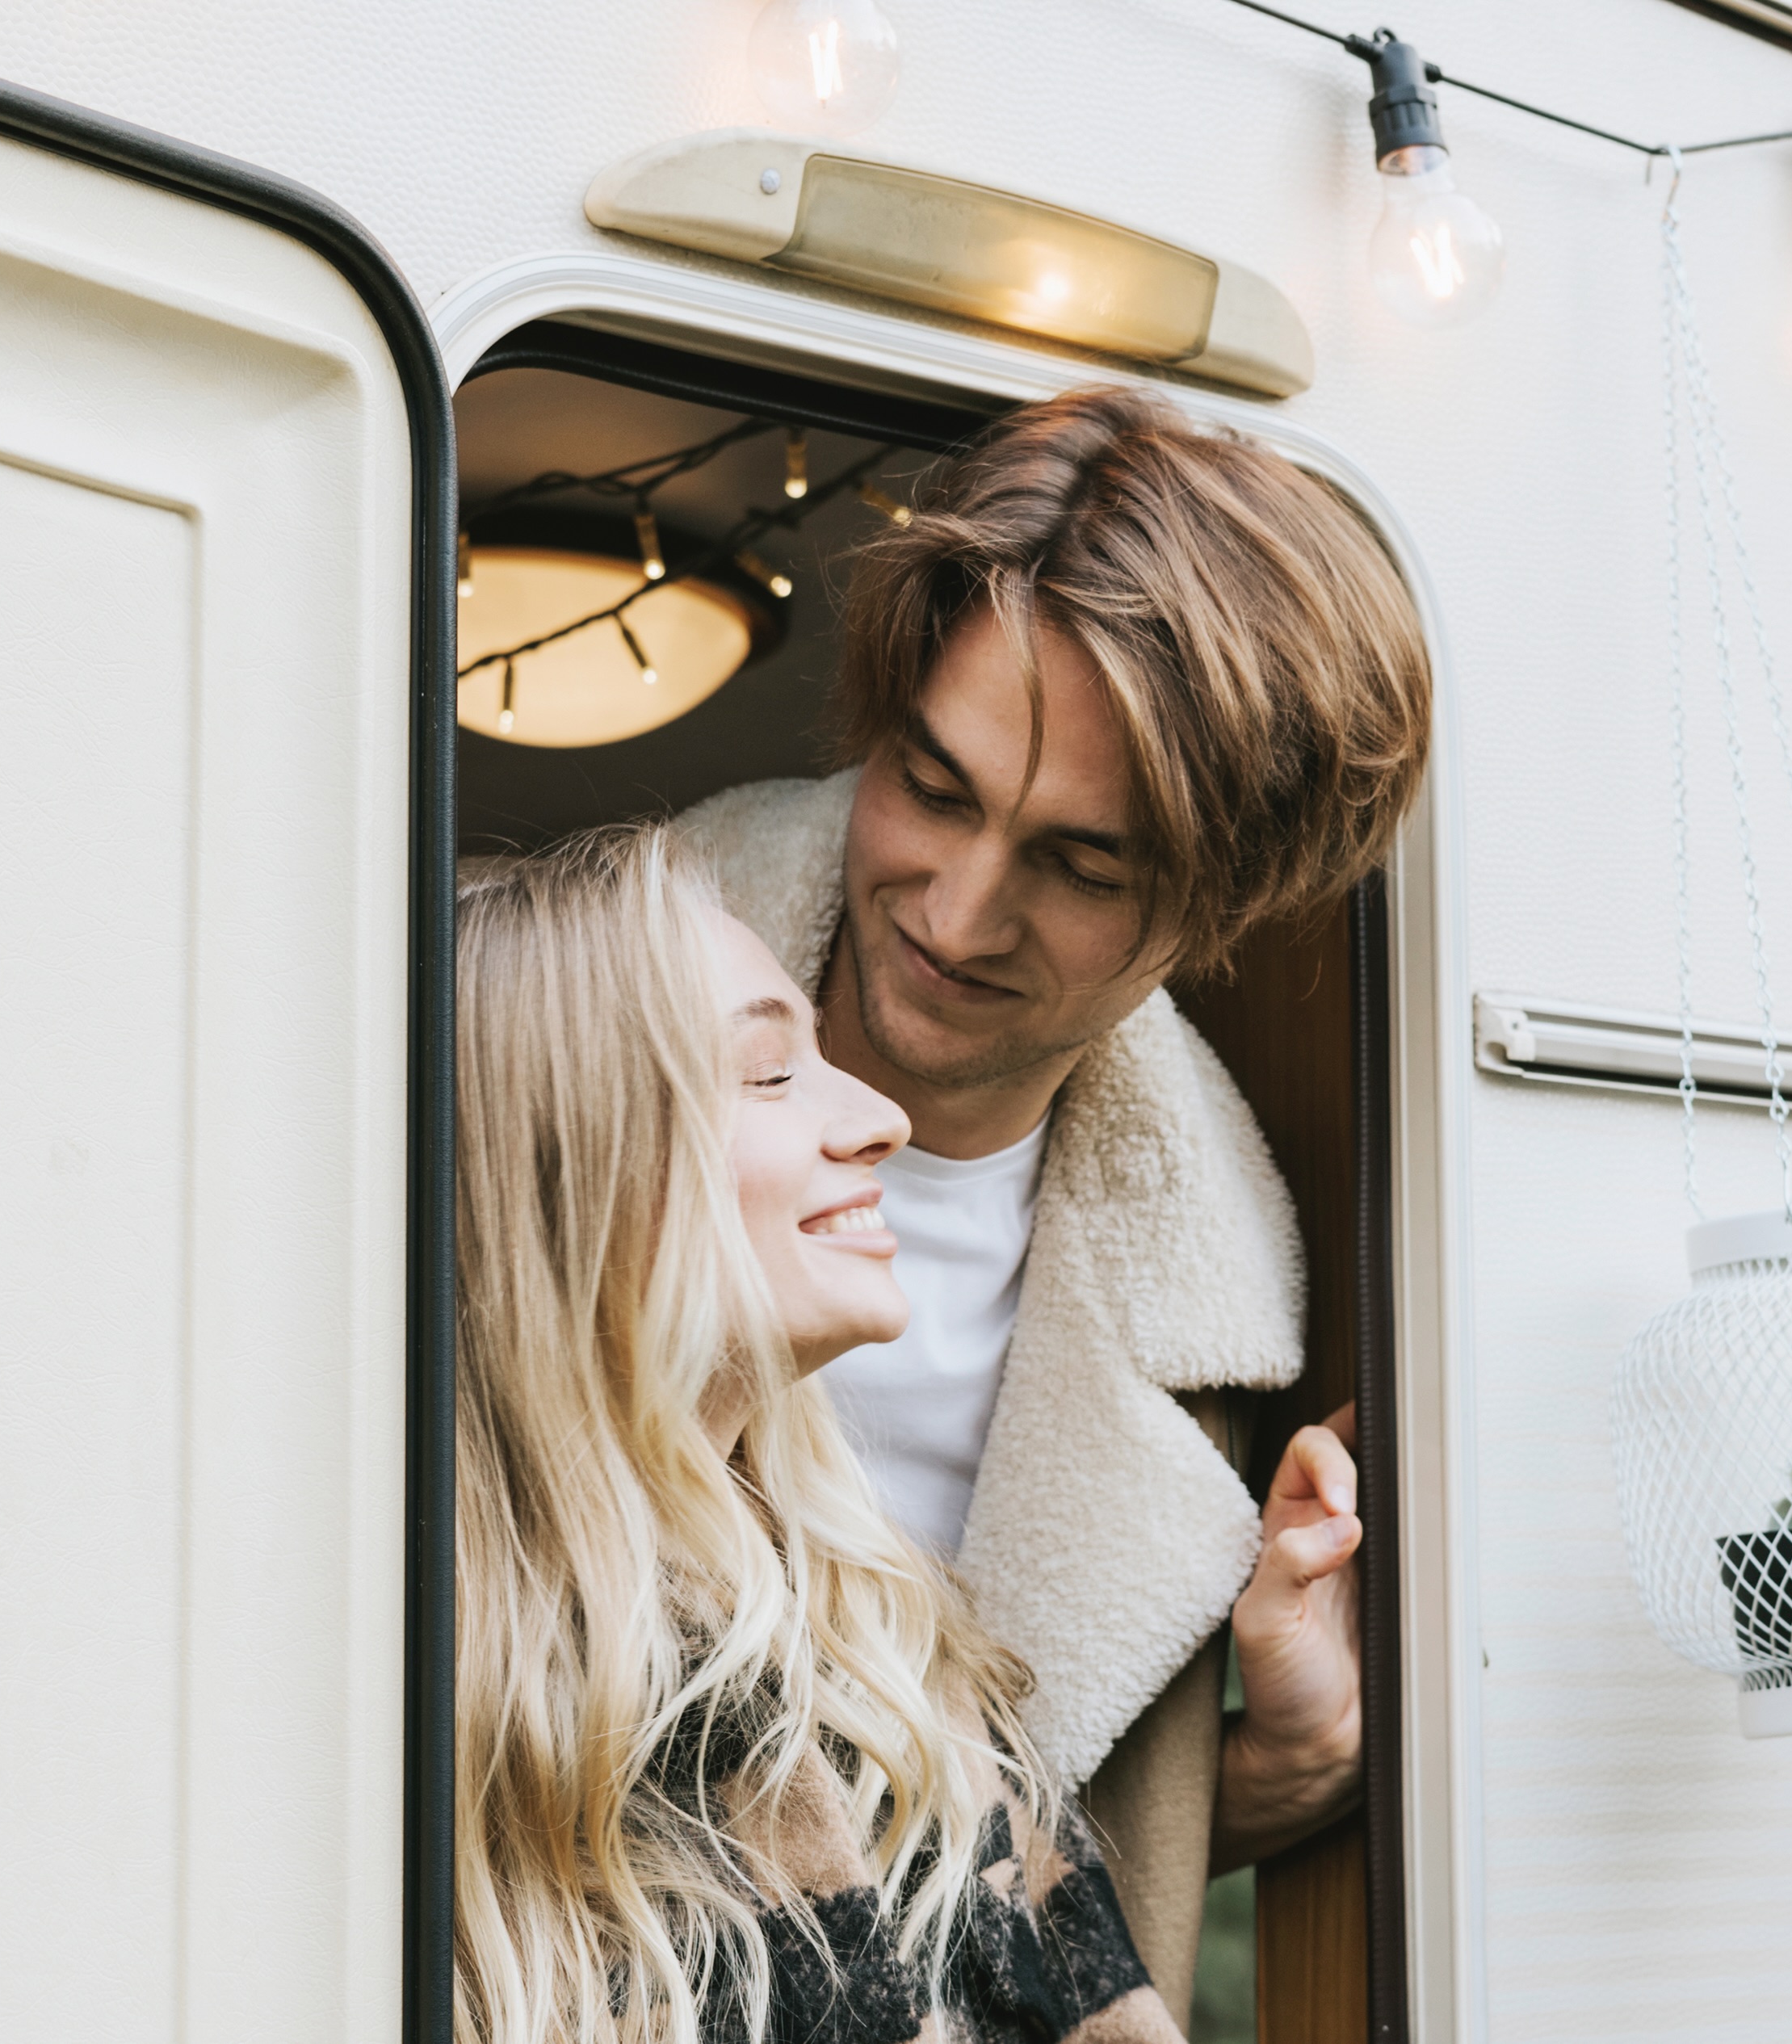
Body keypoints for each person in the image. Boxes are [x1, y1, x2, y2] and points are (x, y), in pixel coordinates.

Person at [670, 384, 1434, 2000]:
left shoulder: (1227, 1327)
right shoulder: (511, 1051)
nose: (958, 909)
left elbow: (946, 1869)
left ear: (1219, 908)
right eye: (934, 788)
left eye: (1082, 867)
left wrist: (1282, 1768)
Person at [451, 824, 1211, 2044]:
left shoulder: (915, 1674)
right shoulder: (416, 1744)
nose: (875, 1117)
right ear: (567, 1170)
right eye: (766, 1073)